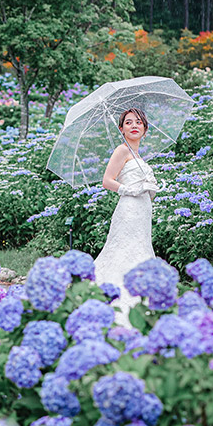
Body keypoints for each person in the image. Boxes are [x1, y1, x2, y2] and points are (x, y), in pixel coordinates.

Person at [93, 108, 159, 327]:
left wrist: (149, 188)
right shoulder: (122, 150)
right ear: (121, 129)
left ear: (145, 129)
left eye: (139, 122)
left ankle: (145, 300)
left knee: (141, 249)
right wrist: (129, 190)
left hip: (143, 211)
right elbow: (107, 180)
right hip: (129, 209)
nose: (134, 125)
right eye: (128, 123)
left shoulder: (139, 155)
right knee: (125, 250)